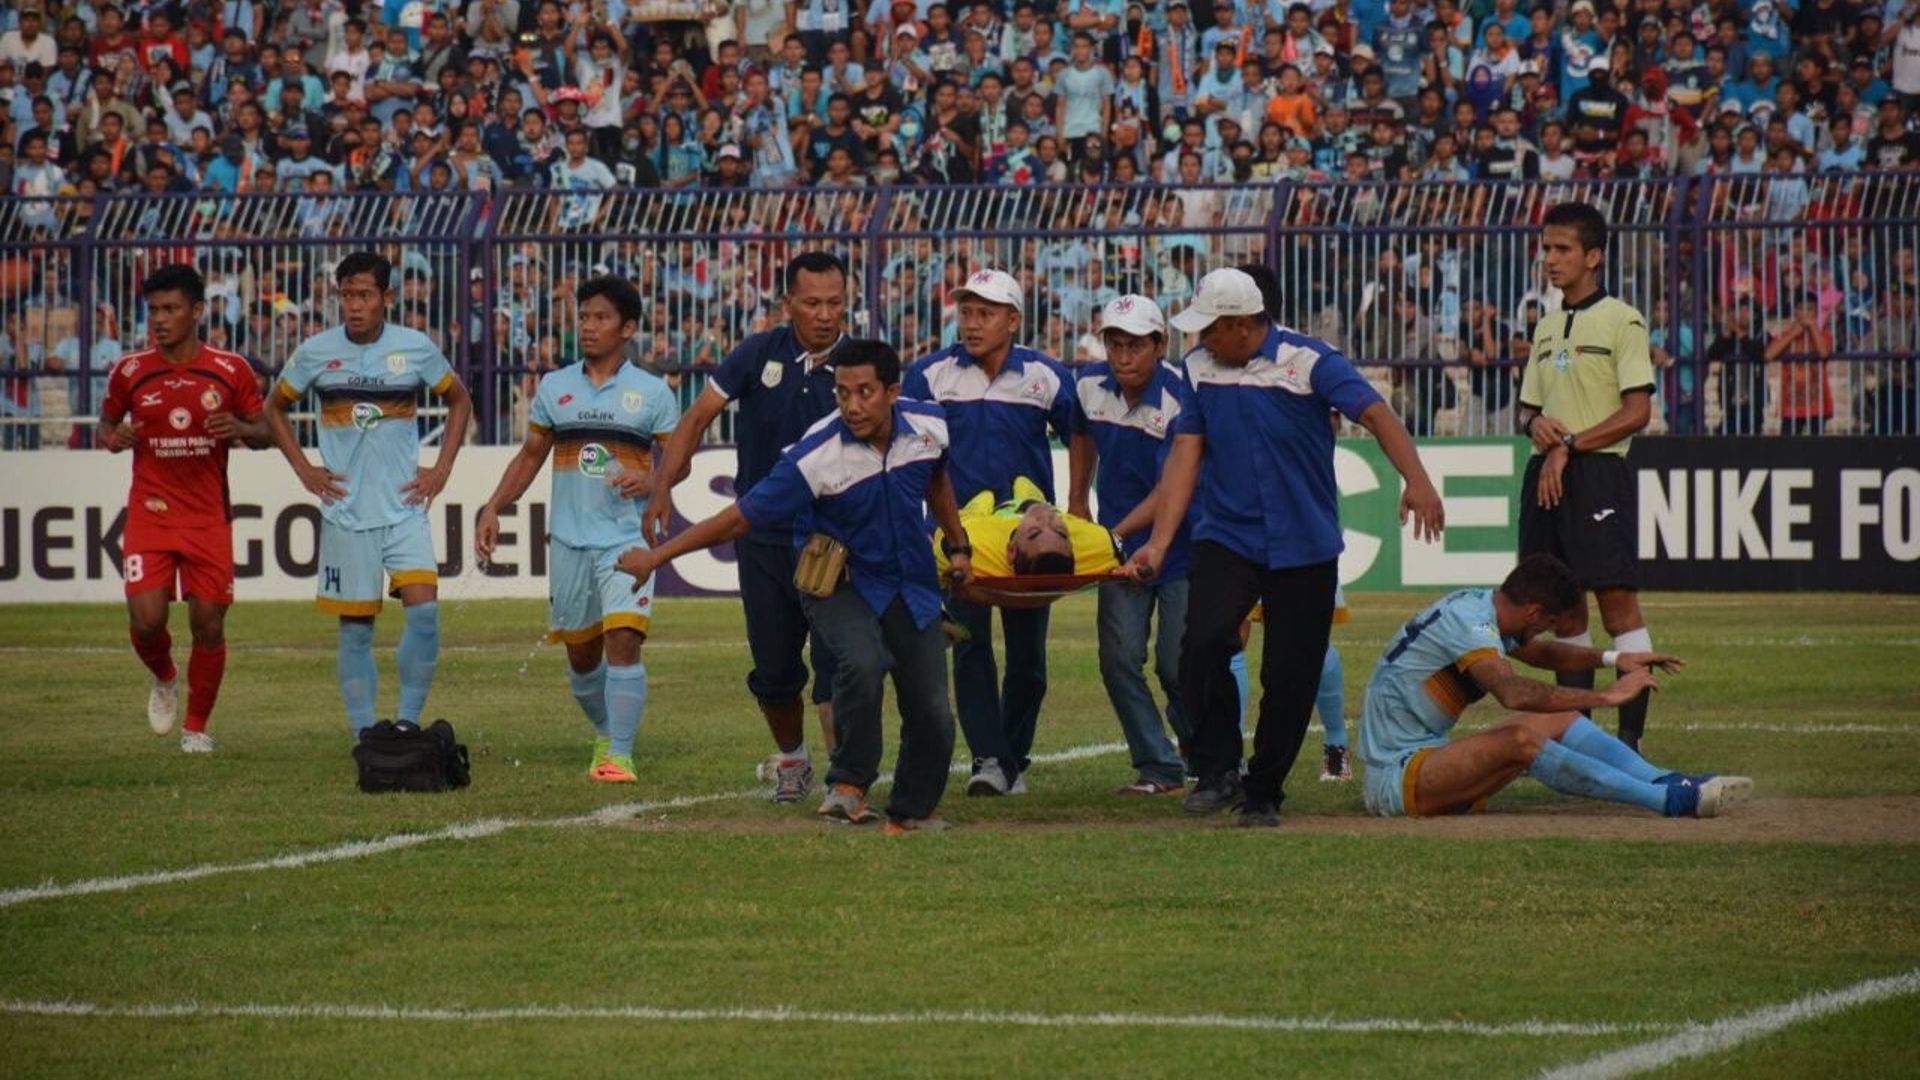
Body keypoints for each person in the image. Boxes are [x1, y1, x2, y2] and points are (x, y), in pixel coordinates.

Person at [617, 341, 973, 833]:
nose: (851, 405)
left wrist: (958, 545)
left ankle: (912, 809)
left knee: (933, 707)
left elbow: (937, 480)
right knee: (864, 662)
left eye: (865, 392)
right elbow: (737, 518)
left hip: (910, 584)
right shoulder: (815, 454)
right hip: (838, 583)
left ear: (893, 391)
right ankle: (847, 786)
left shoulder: (931, 425)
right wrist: (658, 556)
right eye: (842, 392)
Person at [1134, 267, 1445, 827]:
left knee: (1290, 673)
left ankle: (1264, 792)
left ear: (1242, 325)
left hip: (1304, 542)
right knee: (1200, 645)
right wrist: (1159, 543)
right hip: (1225, 536)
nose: (1199, 339)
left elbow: (1375, 413)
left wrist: (1416, 480)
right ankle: (1218, 768)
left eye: (1209, 328)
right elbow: (1186, 453)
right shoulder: (1198, 367)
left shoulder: (1313, 361)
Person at [644, 251, 849, 803]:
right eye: (812, 303)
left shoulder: (861, 364)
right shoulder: (757, 354)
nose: (825, 314)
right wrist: (663, 486)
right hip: (762, 541)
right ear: (788, 305)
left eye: (835, 302)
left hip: (837, 542)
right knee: (775, 672)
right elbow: (695, 418)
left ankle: (844, 781)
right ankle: (795, 760)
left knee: (839, 668)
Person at [1359, 554, 1752, 819]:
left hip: (1428, 757)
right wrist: (1606, 696)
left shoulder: (1484, 609)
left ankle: (1663, 777)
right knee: (1520, 739)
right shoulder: (1470, 623)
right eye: (1545, 623)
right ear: (1532, 611)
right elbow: (1512, 693)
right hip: (1396, 778)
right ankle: (1668, 801)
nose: (1542, 632)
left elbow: (1542, 653)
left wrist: (1613, 659)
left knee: (1561, 717)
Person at [474, 275, 679, 783]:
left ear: (627, 327)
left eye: (601, 317)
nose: (589, 326)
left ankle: (620, 756)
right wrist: (494, 505)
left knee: (624, 641)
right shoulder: (555, 386)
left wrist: (652, 476)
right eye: (584, 316)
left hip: (627, 540)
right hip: (568, 540)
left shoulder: (652, 393)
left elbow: (680, 462)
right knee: (583, 659)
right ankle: (607, 734)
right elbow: (530, 455)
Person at [264, 251, 474, 738]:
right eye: (346, 295)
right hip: (346, 513)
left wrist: (441, 469)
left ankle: (405, 725)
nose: (354, 305)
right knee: (355, 632)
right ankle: (365, 736)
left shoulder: (415, 348)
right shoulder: (316, 351)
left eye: (364, 295)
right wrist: (305, 470)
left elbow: (459, 399)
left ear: (387, 298)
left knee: (424, 615)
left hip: (403, 508)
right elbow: (273, 408)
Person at [904, 268, 1075, 798]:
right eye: (966, 312)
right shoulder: (929, 375)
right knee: (971, 648)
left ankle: (1010, 756)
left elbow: (1082, 437)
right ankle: (990, 760)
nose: (972, 323)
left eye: (986, 313)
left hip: (1029, 543)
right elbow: (912, 452)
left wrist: (1078, 503)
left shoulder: (1046, 376)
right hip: (959, 540)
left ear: (1013, 319)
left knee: (1029, 662)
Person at [100, 264, 268, 753]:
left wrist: (237, 426)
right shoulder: (130, 370)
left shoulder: (230, 369)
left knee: (209, 622)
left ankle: (196, 728)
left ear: (197, 311)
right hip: (150, 511)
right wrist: (116, 439)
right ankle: (164, 675)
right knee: (148, 619)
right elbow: (106, 426)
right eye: (153, 310)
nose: (160, 319)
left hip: (207, 516)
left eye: (171, 309)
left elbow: (266, 432)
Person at [1516, 202, 1660, 752]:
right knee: (1562, 608)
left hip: (1597, 474)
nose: (1550, 259)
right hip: (1544, 476)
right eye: (1546, 248)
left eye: (1562, 249)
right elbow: (1527, 411)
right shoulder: (1547, 326)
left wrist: (1571, 444)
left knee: (1617, 604)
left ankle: (1630, 742)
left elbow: (1636, 412)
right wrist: (1539, 429)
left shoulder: (1622, 319)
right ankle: (1582, 742)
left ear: (1593, 256)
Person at [1066, 294, 1198, 797]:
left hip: (1181, 546)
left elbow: (1171, 486)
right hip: (1117, 548)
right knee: (1118, 659)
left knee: (1175, 664)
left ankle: (1199, 750)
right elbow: (1081, 433)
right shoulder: (1087, 387)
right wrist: (1078, 500)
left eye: (1135, 345)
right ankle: (1158, 765)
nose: (1123, 356)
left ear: (1160, 344)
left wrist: (1114, 534)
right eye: (1114, 344)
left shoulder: (1183, 397)